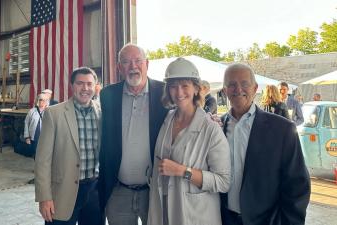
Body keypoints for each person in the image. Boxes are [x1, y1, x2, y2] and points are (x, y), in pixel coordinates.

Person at [220, 63, 310, 225]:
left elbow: (298, 185)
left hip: (267, 221)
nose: (238, 89)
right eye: (232, 84)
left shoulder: (282, 129)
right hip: (224, 219)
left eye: (244, 84)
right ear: (225, 91)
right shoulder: (216, 128)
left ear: (255, 89)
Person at [147, 58, 230, 225]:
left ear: (196, 88)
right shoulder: (167, 119)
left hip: (195, 216)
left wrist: (182, 171)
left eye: (185, 85)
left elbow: (223, 182)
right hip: (163, 210)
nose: (179, 92)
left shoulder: (211, 129)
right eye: (173, 86)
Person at [98, 43, 168, 225]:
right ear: (119, 67)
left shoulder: (165, 93)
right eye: (126, 62)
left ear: (147, 64)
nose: (133, 67)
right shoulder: (108, 95)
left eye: (137, 61)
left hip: (155, 192)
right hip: (118, 191)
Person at [35, 67, 103, 225]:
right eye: (80, 83)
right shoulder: (54, 114)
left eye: (89, 84)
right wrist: (44, 197)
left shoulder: (102, 112)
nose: (85, 88)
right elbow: (42, 160)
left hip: (95, 190)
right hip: (63, 191)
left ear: (95, 87)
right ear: (72, 86)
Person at [24, 93, 49, 157]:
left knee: (43, 155)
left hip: (45, 139)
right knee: (36, 154)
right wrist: (27, 137)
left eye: (45, 100)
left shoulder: (49, 112)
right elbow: (26, 123)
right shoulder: (32, 111)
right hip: (34, 138)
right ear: (38, 100)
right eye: (41, 100)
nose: (43, 102)